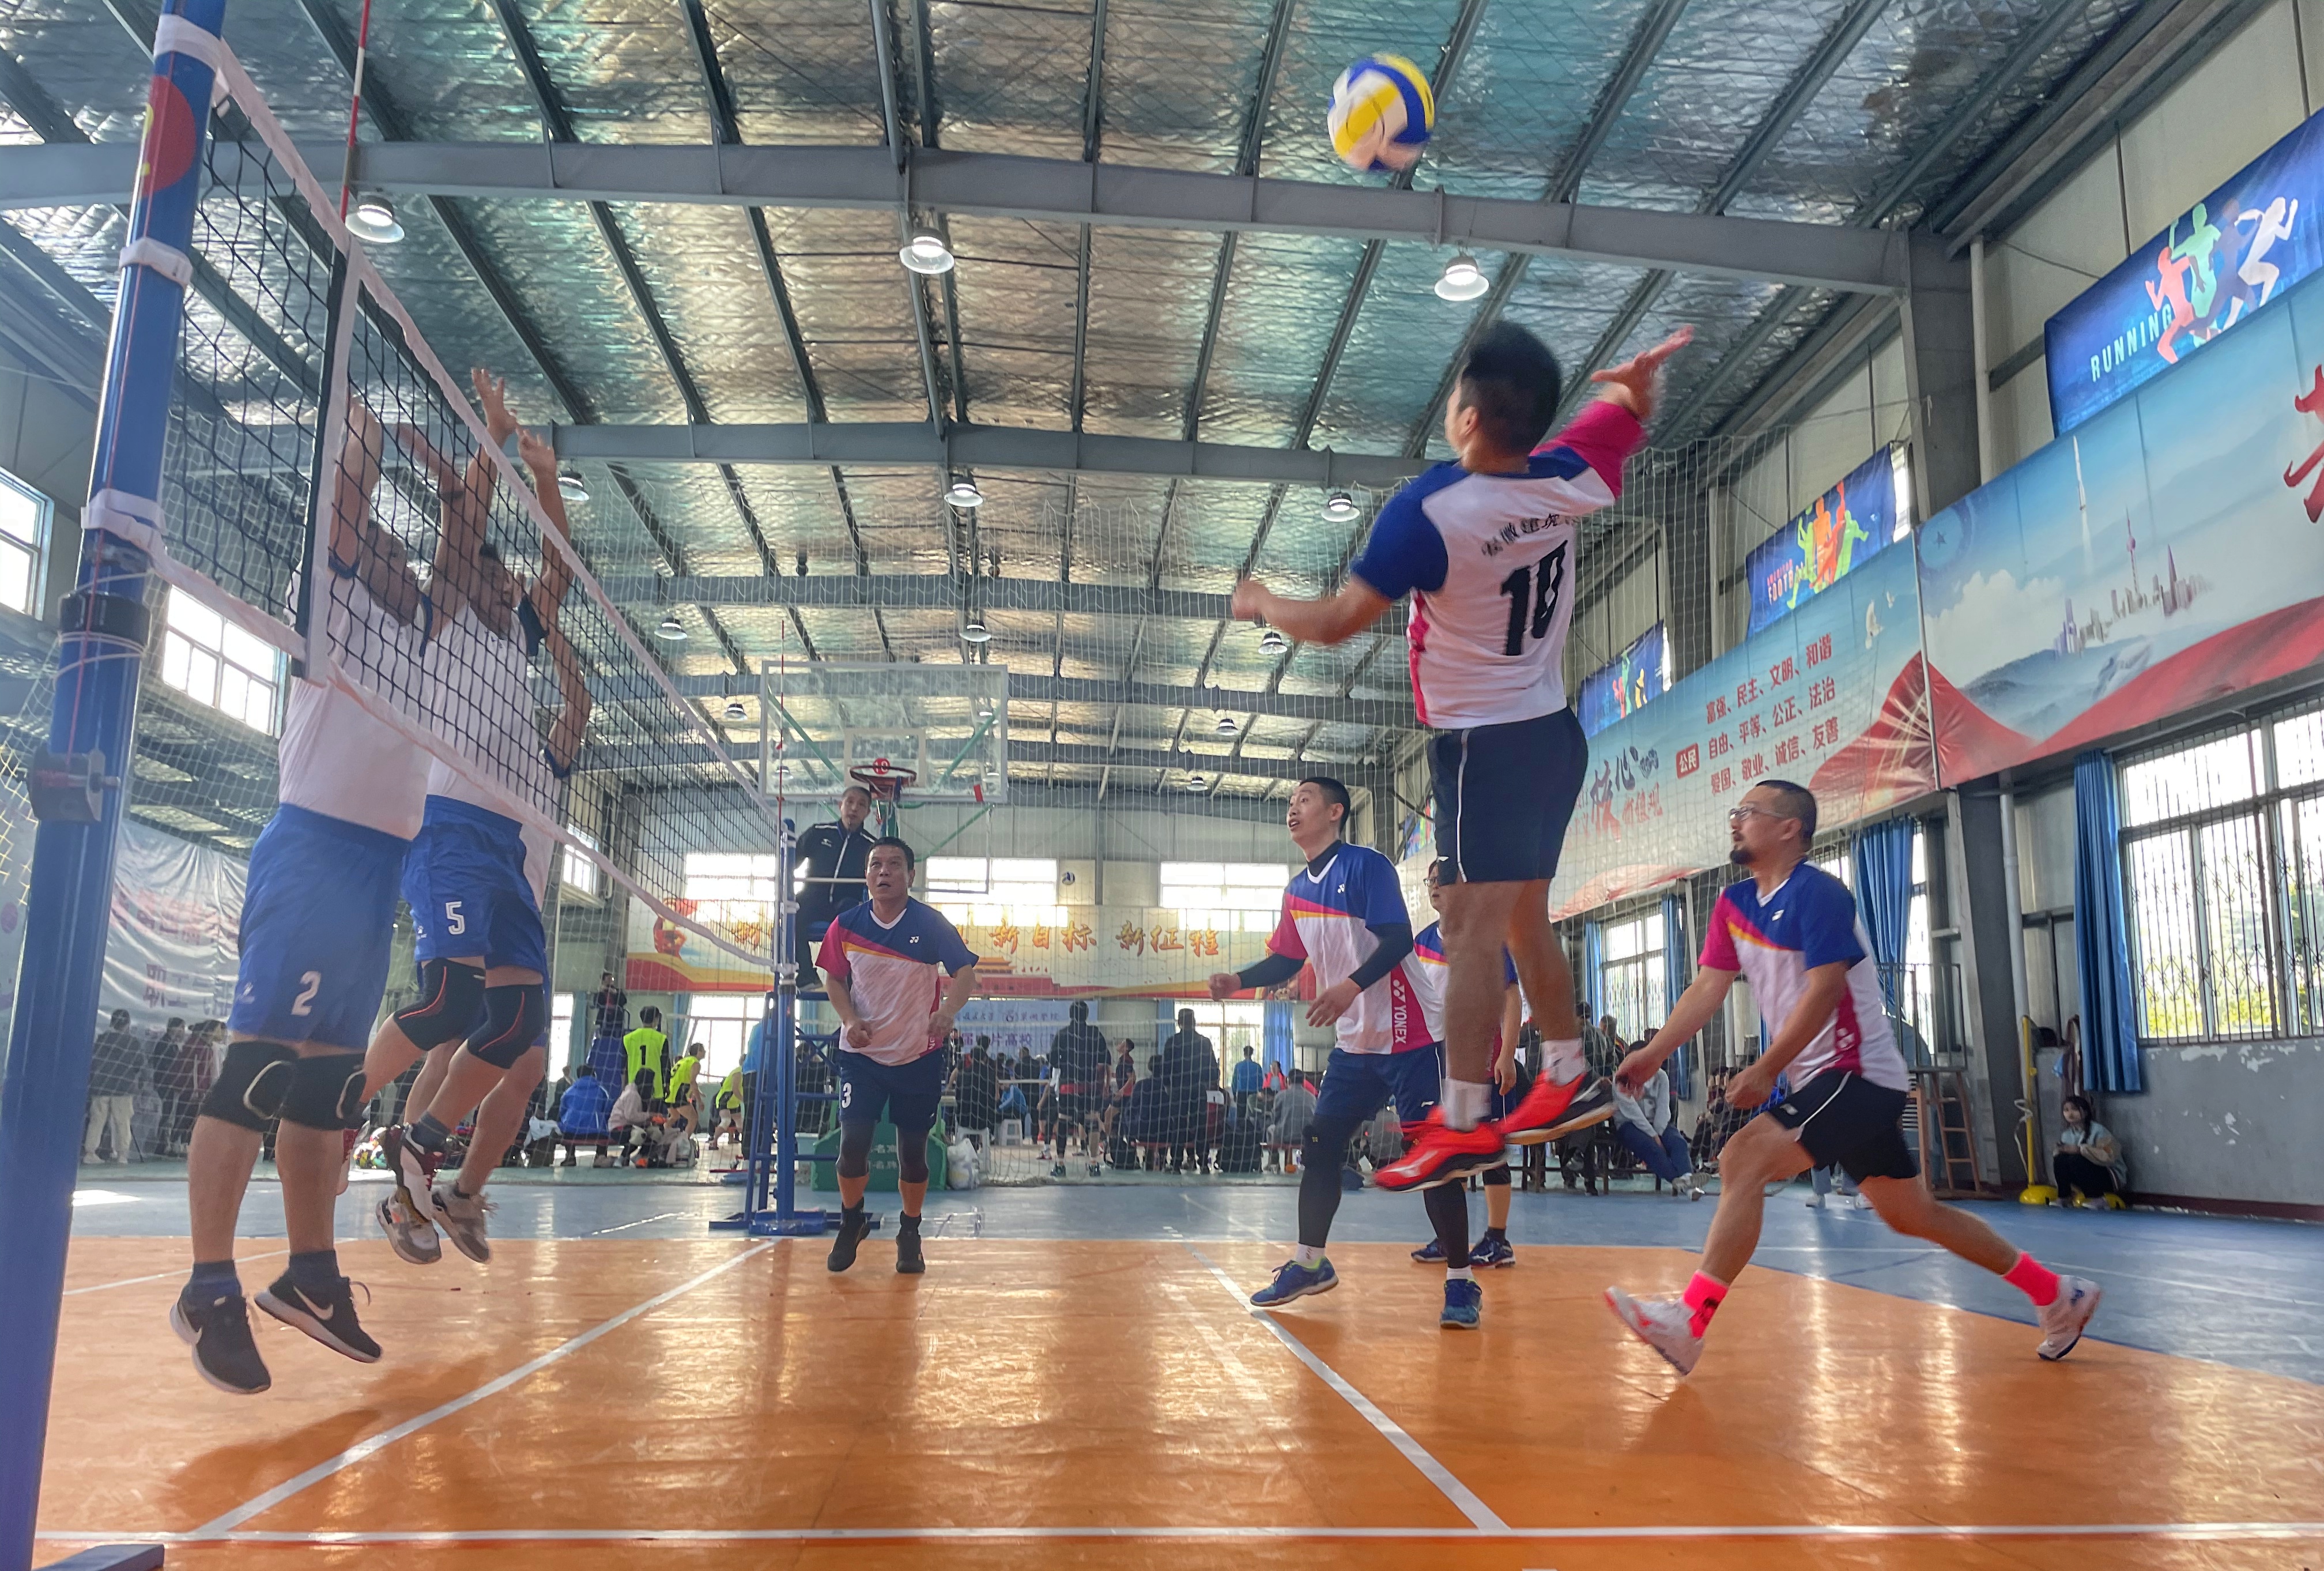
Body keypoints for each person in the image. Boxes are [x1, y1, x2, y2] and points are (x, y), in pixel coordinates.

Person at [1231, 324, 1693, 1191]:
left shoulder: (1432, 509)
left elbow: (1334, 623)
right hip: (1554, 735)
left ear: (1468, 417)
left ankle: (1466, 1119)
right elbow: (1622, 417)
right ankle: (1565, 1065)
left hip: (1486, 746)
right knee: (1524, 919)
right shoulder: (1569, 473)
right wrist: (1636, 388)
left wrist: (1263, 601)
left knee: (1471, 932)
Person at [1605, 781, 2100, 1374]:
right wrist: (1655, 1053)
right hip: (1827, 1082)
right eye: (1735, 812)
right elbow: (1708, 987)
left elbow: (1826, 989)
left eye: (1749, 812)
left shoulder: (1819, 893)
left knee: (1743, 1157)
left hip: (1856, 1073)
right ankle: (2058, 1293)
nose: (1735, 821)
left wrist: (1766, 1068)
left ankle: (1690, 1322)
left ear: (1789, 827)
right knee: (1913, 1214)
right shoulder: (1734, 904)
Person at [171, 398, 442, 1394]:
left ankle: (312, 1276)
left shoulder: (429, 651)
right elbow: (345, 508)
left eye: (404, 556)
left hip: (376, 874)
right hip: (314, 852)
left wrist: (461, 482)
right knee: (257, 1070)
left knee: (330, 1089)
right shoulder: (332, 607)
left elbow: (456, 565)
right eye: (387, 550)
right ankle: (208, 1286)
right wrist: (364, 432)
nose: (401, 562)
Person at [362, 368, 590, 1271]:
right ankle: (343, 1109)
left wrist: (545, 476)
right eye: (493, 579)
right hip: (450, 828)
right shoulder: (452, 622)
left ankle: (423, 1149)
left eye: (507, 584)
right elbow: (463, 535)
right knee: (452, 1006)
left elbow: (558, 569)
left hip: (504, 851)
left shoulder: (515, 641)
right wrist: (490, 439)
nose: (506, 589)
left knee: (520, 1022)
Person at [1208, 778, 1461, 1320]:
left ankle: (1461, 1281)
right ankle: (1310, 1263)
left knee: (1432, 1155)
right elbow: (1287, 960)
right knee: (1320, 1144)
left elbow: (1397, 939)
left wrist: (1349, 986)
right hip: (1355, 1043)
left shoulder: (1368, 866)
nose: (1293, 808)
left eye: (1304, 799)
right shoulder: (1297, 890)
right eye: (1290, 802)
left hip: (1411, 1034)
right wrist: (1239, 980)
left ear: (1335, 811)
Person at [816, 837, 979, 1275]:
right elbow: (833, 979)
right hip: (862, 1056)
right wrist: (849, 1018)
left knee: (914, 1154)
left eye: (894, 864)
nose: (884, 871)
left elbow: (966, 973)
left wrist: (947, 1012)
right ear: (866, 875)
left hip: (918, 1056)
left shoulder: (931, 924)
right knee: (852, 1146)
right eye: (876, 864)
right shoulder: (846, 925)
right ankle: (852, 1220)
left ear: (911, 874)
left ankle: (910, 1231)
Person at [1406, 859, 1529, 1276]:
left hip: (1481, 1058)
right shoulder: (1420, 943)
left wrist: (1507, 1054)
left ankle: (1498, 1239)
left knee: (1488, 1147)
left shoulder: (1486, 938)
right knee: (1446, 1146)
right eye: (1430, 881)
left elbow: (1511, 999)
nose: (1434, 886)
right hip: (1435, 1060)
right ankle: (1450, 1236)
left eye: (1442, 880)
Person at [794, 785, 879, 946]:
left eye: (861, 804)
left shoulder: (872, 846)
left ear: (868, 812)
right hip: (812, 899)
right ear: (841, 805)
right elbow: (790, 864)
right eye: (850, 802)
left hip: (847, 903)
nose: (854, 808)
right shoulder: (818, 832)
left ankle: (842, 964)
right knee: (792, 914)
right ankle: (803, 964)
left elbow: (877, 879)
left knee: (856, 919)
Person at [1611, 1063, 1703, 1200]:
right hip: (1629, 1124)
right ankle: (1684, 1184)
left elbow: (1663, 1108)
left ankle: (1687, 1177)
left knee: (1678, 1143)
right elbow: (1634, 1113)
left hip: (1658, 1123)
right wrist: (1654, 1136)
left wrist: (1658, 1133)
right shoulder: (1621, 1079)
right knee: (1652, 1148)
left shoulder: (1661, 1076)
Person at [1048, 999, 1110, 1175]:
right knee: (1092, 1123)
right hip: (1090, 1086)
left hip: (1068, 1086)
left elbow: (1054, 1061)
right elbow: (1104, 1059)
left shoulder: (1062, 1034)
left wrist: (1066, 1063)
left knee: (1063, 1122)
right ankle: (1094, 1164)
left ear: (1070, 1014)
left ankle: (1060, 1164)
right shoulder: (1095, 1034)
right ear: (1087, 1015)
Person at [1159, 1009, 1218, 1174]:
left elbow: (1165, 1068)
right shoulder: (1204, 1042)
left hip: (1178, 1090)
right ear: (1195, 1022)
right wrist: (1209, 1084)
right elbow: (1213, 1068)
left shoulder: (1172, 1042)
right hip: (1198, 1088)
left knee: (1178, 1127)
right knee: (1200, 1127)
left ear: (1179, 1022)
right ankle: (1204, 1164)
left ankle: (1176, 1164)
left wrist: (1168, 1086)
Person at [85, 1009, 142, 1164]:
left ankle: (90, 1152)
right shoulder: (133, 1043)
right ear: (128, 1024)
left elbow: (93, 1062)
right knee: (122, 1122)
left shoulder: (101, 1040)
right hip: (123, 1088)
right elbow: (139, 1064)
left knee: (97, 1120)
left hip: (101, 1086)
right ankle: (122, 1154)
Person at [2053, 1094, 2127, 1207]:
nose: (2070, 1114)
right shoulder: (2066, 1135)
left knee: (2076, 1160)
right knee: (2060, 1159)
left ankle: (2098, 1199)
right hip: (2083, 1179)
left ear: (2086, 1112)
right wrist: (2058, 1151)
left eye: (2075, 1109)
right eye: (2066, 1110)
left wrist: (2081, 1150)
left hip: (2109, 1178)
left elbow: (2109, 1155)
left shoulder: (2099, 1130)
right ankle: (2064, 1197)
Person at [147, 1018, 188, 1156]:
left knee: (168, 1114)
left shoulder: (172, 1044)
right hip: (165, 1084)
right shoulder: (164, 1044)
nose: (183, 1031)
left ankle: (165, 1144)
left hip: (169, 1084)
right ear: (173, 1028)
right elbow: (164, 1066)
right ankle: (162, 1145)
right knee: (166, 1115)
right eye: (181, 1028)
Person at [953, 1037, 1001, 1150]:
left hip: (964, 1118)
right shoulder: (990, 1074)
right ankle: (980, 1146)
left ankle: (971, 1147)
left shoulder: (962, 1075)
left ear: (970, 1057)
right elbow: (993, 1097)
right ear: (985, 1058)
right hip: (984, 1120)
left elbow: (958, 1097)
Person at [1266, 1072, 1316, 1171]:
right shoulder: (1312, 1097)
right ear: (1303, 1082)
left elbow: (1275, 1118)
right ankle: (1305, 1157)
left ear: (1288, 1081)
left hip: (1285, 1136)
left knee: (1271, 1129)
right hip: (1307, 1137)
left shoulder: (1281, 1096)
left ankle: (1274, 1161)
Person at [622, 1008, 672, 1103]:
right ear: (656, 1019)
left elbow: (624, 1066)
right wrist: (667, 1084)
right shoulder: (661, 1039)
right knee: (654, 1113)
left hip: (633, 1087)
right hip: (655, 1087)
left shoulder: (628, 1038)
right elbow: (665, 1064)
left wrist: (625, 1087)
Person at [1229, 1045, 1264, 1123]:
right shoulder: (1257, 1067)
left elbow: (1235, 1081)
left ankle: (1240, 1129)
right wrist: (1260, 1093)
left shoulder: (1238, 1066)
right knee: (1252, 1114)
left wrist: (1234, 1094)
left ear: (1244, 1054)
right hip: (1253, 1094)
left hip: (1242, 1094)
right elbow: (1260, 1083)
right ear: (1252, 1054)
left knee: (1241, 1116)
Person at [590, 971, 628, 1039]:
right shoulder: (600, 993)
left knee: (618, 1037)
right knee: (605, 1038)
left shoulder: (618, 991)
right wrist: (601, 992)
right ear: (603, 981)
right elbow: (597, 1003)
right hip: (605, 1019)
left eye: (612, 979)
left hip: (617, 1019)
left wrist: (616, 994)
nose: (611, 980)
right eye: (609, 979)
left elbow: (624, 1001)